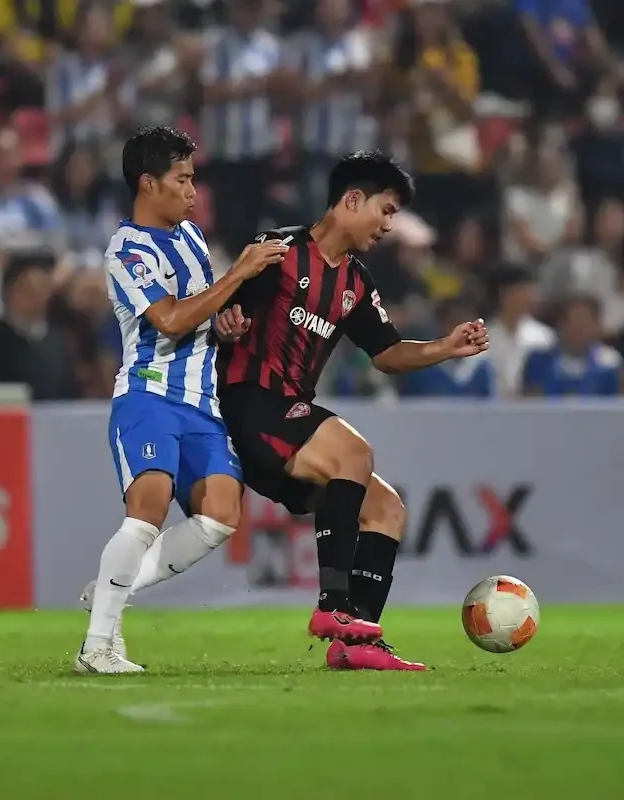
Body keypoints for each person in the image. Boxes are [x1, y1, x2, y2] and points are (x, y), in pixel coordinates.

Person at [122, 151, 489, 671]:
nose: (389, 225)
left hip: (289, 418)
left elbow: (386, 354)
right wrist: (227, 325)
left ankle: (355, 646)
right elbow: (215, 310)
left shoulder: (356, 283)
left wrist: (444, 347)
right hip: (247, 406)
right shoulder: (277, 252)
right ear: (352, 200)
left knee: (386, 510)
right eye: (385, 211)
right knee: (354, 454)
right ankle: (333, 607)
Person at [75, 126, 289, 674]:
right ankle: (96, 647)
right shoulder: (128, 249)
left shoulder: (191, 237)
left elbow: (196, 315)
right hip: (148, 394)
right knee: (148, 507)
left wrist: (225, 325)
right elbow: (168, 318)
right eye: (183, 179)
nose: (193, 191)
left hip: (202, 401)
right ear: (149, 183)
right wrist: (239, 271)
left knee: (220, 514)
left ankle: (112, 589)